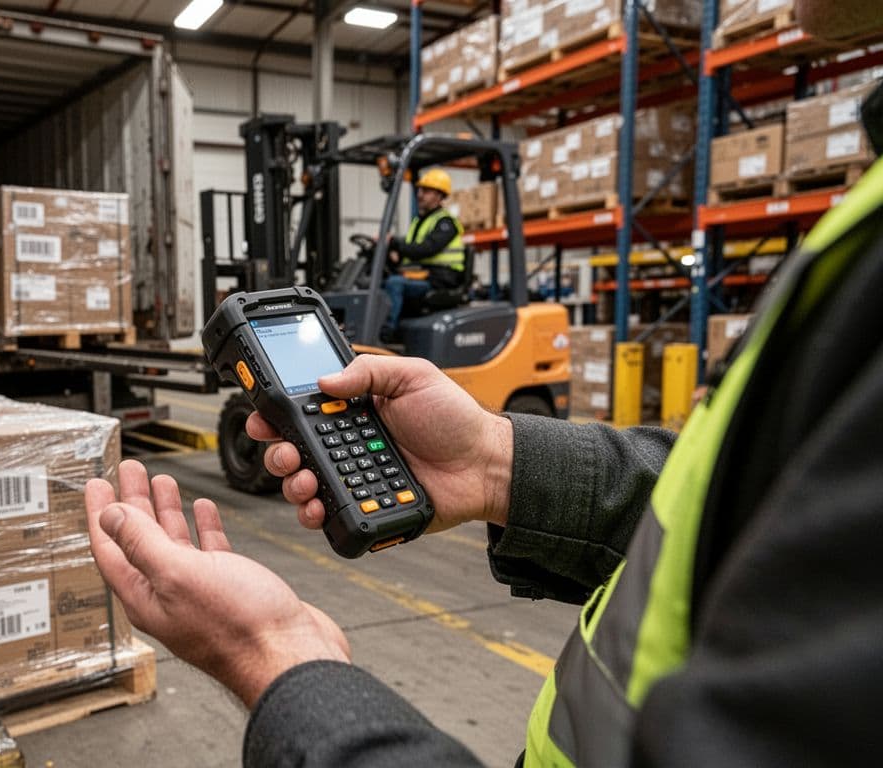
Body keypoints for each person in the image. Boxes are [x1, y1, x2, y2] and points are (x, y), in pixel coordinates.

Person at [82, 4, 883, 765]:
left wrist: (277, 661)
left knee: (382, 293)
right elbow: (734, 508)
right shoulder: (863, 224)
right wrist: (498, 462)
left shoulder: (443, 226)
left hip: (434, 297)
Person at [381, 168, 466, 338]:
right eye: (420, 190)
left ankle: (387, 333)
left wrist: (395, 243)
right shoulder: (420, 221)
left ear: (439, 196)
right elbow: (410, 249)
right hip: (424, 275)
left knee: (394, 284)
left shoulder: (445, 223)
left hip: (441, 281)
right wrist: (394, 252)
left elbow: (426, 249)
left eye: (426, 191)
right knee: (378, 281)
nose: (420, 194)